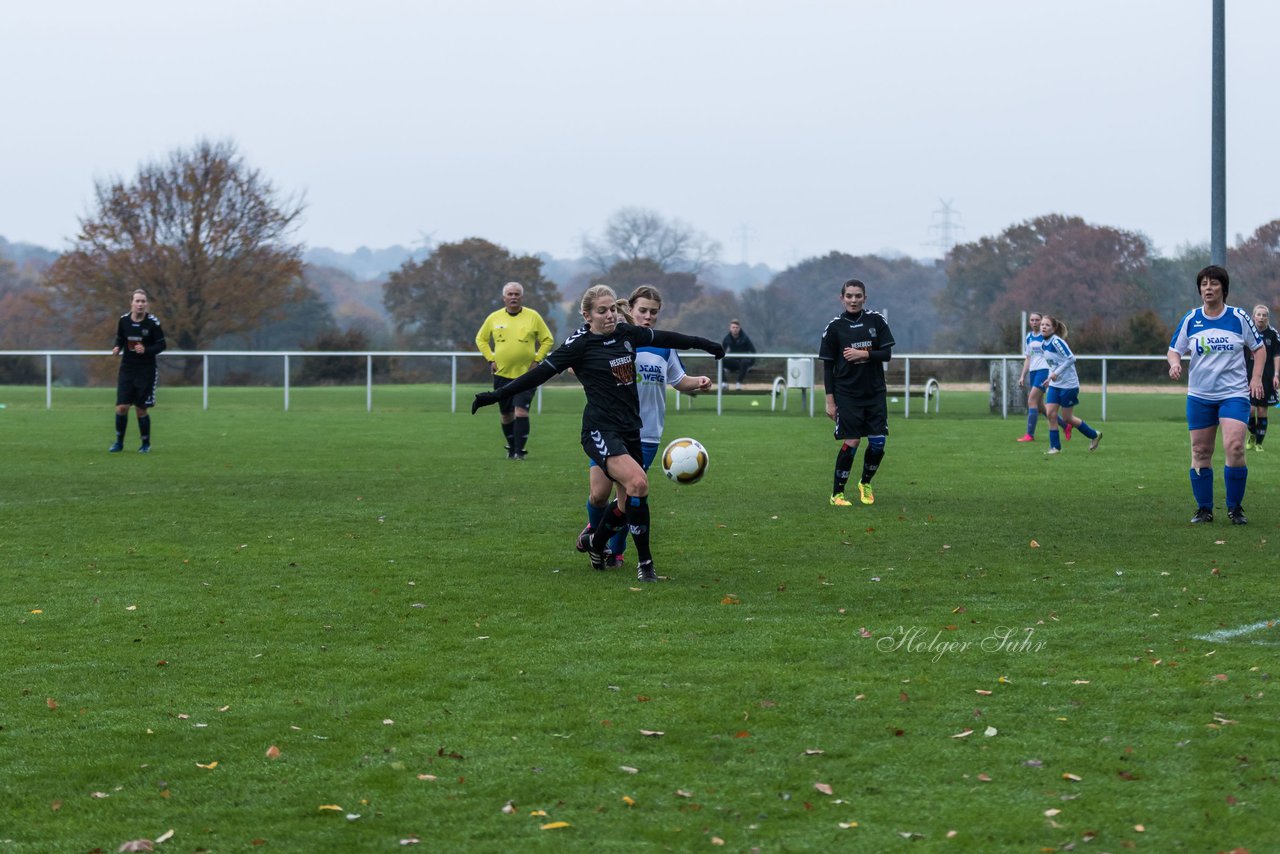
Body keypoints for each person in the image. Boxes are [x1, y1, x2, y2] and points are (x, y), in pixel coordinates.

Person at [472, 284, 723, 582]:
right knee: (638, 484)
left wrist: (707, 344)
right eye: (602, 311)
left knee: (626, 501)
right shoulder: (579, 344)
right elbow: (539, 374)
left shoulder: (626, 334)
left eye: (612, 310)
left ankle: (595, 542)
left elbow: (670, 338)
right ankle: (645, 565)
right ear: (587, 315)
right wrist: (492, 396)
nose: (610, 316)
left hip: (632, 430)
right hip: (600, 430)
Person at [579, 285, 713, 569]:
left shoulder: (663, 346)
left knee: (627, 498)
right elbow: (580, 359)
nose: (648, 317)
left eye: (654, 312)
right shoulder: (612, 338)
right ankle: (594, 533)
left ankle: (614, 552)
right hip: (608, 428)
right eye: (643, 310)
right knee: (599, 495)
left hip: (646, 434)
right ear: (630, 309)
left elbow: (678, 380)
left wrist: (698, 382)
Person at [1167, 265, 1265, 524]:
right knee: (1200, 450)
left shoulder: (1238, 317)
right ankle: (1204, 509)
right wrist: (1175, 363)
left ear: (1223, 288)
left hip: (1234, 394)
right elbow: (1174, 349)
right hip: (1200, 395)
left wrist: (1255, 378)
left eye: (1213, 283)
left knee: (1234, 447)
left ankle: (1235, 509)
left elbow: (1259, 348)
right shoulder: (1191, 319)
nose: (1208, 288)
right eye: (1203, 284)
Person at [820, 279, 895, 506]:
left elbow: (887, 354)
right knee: (852, 440)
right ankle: (837, 494)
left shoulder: (876, 321)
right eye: (849, 296)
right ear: (841, 298)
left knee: (878, 442)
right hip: (847, 393)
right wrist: (830, 401)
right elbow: (827, 367)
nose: (853, 300)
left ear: (865, 297)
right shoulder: (834, 328)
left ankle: (865, 482)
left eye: (858, 296)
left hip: (874, 392)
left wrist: (864, 354)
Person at [474, 281, 555, 459]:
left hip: (527, 376)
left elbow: (548, 339)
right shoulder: (494, 318)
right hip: (502, 374)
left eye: (516, 294)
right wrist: (490, 359)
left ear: (522, 297)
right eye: (510, 294)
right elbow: (481, 339)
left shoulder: (533, 316)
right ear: (504, 298)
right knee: (506, 415)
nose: (513, 297)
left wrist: (537, 359)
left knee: (521, 411)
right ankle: (512, 448)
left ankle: (520, 451)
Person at [109, 289, 166, 453]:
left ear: (146, 304)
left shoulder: (153, 323)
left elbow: (162, 345)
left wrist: (146, 350)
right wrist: (117, 347)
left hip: (146, 370)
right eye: (137, 301)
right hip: (127, 368)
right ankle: (119, 443)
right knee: (121, 407)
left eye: (143, 301)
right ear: (131, 303)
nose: (140, 304)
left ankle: (145, 444)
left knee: (141, 409)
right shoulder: (124, 321)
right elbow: (120, 337)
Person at [1038, 315, 1102, 456]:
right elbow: (1052, 364)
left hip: (1069, 385)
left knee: (1067, 418)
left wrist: (1057, 373)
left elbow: (1071, 358)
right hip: (1055, 385)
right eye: (1042, 324)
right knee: (1051, 414)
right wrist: (1050, 378)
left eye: (1047, 325)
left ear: (1054, 328)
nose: (1043, 327)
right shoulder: (1043, 344)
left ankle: (1094, 434)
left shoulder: (1057, 342)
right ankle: (1055, 447)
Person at [1016, 311, 1068, 442]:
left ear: (1041, 322)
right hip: (1033, 372)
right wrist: (1022, 375)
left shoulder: (1047, 338)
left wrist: (1054, 373)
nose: (1034, 323)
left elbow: (1055, 357)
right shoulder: (1029, 337)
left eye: (1037, 320)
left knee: (1031, 400)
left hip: (1044, 372)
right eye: (1032, 320)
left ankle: (1029, 435)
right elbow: (1028, 358)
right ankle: (1065, 425)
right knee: (1040, 407)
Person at [1244, 304, 1280, 451]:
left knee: (1262, 411)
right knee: (1250, 410)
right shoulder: (1247, 332)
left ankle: (1258, 443)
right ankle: (1253, 434)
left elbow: (1277, 355)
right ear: (1254, 316)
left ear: (1267, 318)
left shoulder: (1273, 334)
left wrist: (1276, 374)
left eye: (1264, 315)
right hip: (1249, 377)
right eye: (1259, 314)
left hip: (1267, 378)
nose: (1261, 317)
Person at [721, 319, 757, 390]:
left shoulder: (745, 338)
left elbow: (753, 352)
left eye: (736, 328)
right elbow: (722, 351)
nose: (735, 329)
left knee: (745, 361)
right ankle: (724, 383)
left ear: (739, 328)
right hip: (732, 361)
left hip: (742, 362)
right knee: (718, 360)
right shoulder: (727, 338)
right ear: (730, 328)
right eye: (733, 327)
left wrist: (750, 365)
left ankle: (738, 383)